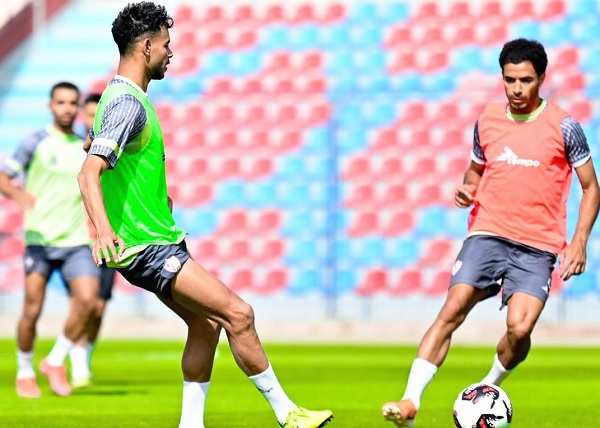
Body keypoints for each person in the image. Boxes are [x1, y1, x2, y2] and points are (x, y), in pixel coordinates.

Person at [77, 3, 333, 428]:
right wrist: (103, 230)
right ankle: (288, 414)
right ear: (146, 46)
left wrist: (150, 196)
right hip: (147, 246)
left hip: (154, 239)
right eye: (166, 44)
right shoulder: (127, 103)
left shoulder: (118, 98)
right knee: (239, 314)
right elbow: (89, 172)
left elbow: (97, 151)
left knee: (206, 325)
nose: (171, 52)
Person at [382, 38, 600, 427]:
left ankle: (487, 387)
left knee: (519, 328)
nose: (517, 89)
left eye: (526, 80)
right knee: (453, 307)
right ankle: (410, 400)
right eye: (510, 80)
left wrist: (580, 241)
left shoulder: (565, 127)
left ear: (541, 79)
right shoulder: (487, 120)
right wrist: (467, 188)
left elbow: (591, 187)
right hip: (488, 232)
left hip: (538, 245)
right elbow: (475, 170)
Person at [0, 81, 100, 398]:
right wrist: (17, 193)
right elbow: (3, 175)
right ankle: (25, 370)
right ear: (50, 106)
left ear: (78, 108)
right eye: (61, 102)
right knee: (32, 311)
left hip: (76, 240)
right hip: (40, 241)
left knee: (89, 301)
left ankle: (55, 360)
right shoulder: (35, 142)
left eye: (72, 103)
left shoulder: (85, 146)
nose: (67, 108)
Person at [69, 92, 117, 389]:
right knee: (84, 303)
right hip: (78, 241)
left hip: (105, 237)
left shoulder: (112, 152)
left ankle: (83, 355)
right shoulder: (73, 151)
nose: (92, 120)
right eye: (88, 115)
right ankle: (72, 358)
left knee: (99, 307)